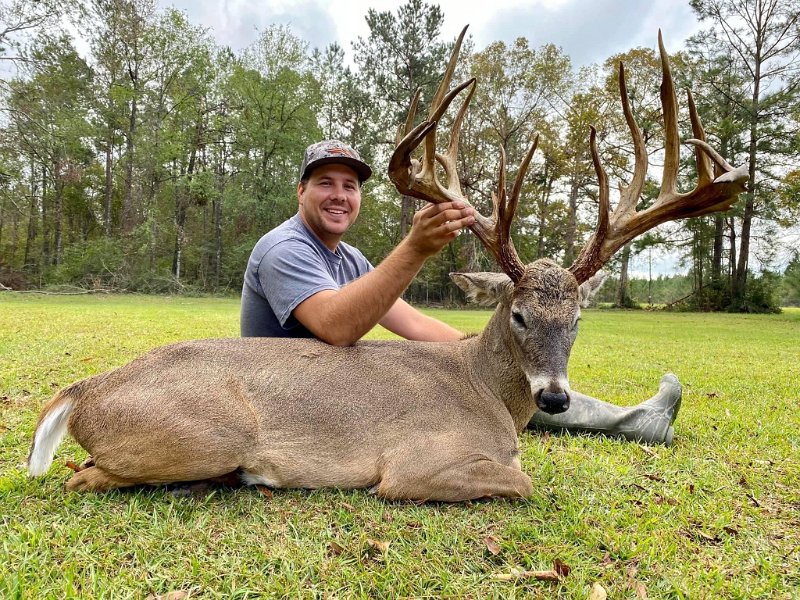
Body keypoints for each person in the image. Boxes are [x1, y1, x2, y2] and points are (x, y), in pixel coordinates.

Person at [241, 140, 681, 445]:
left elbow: (410, 322)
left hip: (335, 384)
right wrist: (415, 249)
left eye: (349, 186)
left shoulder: (349, 260)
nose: (339, 195)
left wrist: (485, 352)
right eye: (325, 183)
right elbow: (337, 328)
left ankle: (636, 421)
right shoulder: (285, 249)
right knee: (472, 404)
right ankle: (634, 422)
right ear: (300, 191)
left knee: (500, 382)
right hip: (291, 398)